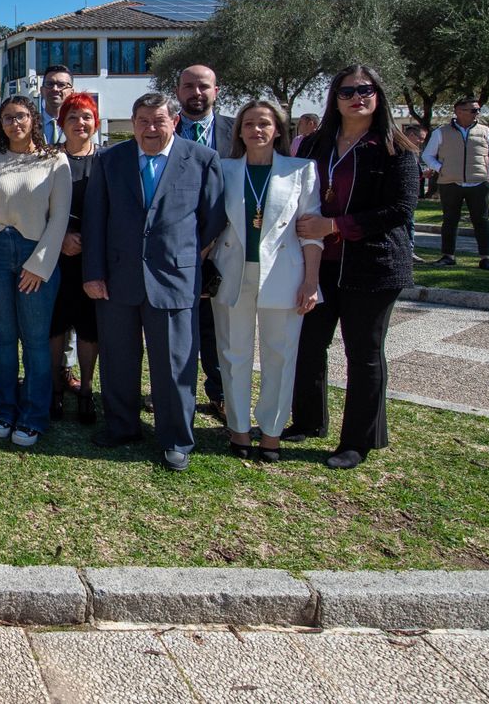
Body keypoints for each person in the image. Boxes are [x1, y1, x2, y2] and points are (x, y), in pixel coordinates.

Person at [84, 92, 225, 472]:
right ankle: (121, 426)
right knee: (118, 359)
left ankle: (176, 438)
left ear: (174, 121)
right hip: (117, 279)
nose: (150, 128)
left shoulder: (201, 160)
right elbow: (95, 220)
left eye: (158, 121)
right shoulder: (110, 160)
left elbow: (212, 218)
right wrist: (93, 273)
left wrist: (185, 254)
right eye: (142, 121)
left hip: (175, 278)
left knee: (175, 364)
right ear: (133, 123)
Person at [289, 65, 419, 469]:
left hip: (373, 266)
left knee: (363, 353)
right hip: (319, 263)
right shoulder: (315, 144)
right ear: (335, 98)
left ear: (378, 95)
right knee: (309, 345)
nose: (356, 97)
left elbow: (400, 210)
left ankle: (358, 441)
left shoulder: (396, 147)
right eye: (347, 91)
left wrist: (336, 225)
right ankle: (309, 421)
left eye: (366, 90)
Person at [210, 101, 323, 462]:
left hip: (284, 275)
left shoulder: (302, 170)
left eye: (264, 124)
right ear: (239, 131)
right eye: (248, 124)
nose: (256, 130)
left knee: (280, 355)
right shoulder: (223, 169)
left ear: (278, 130)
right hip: (233, 273)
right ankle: (239, 428)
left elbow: (311, 233)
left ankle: (272, 432)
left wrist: (311, 281)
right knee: (233, 354)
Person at [0, 95, 72, 447]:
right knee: (3, 337)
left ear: (34, 120)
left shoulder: (54, 160)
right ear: (1, 123)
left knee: (35, 341)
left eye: (22, 116)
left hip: (37, 254)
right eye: (8, 118)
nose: (16, 123)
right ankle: (3, 410)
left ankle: (33, 416)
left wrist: (40, 265)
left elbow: (59, 217)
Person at [175, 64, 234, 417]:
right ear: (178, 90)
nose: (196, 92)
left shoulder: (235, 132)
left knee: (216, 325)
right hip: (176, 246)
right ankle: (171, 389)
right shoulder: (162, 128)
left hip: (226, 243)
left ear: (216, 90)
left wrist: (210, 242)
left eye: (203, 86)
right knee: (176, 324)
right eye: (188, 86)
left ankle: (219, 392)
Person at [48, 94, 102, 423]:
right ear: (61, 124)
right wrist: (61, 239)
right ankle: (55, 388)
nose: (79, 124)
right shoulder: (49, 159)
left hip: (92, 260)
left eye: (86, 117)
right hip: (54, 258)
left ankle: (86, 391)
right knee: (55, 326)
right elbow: (38, 207)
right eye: (72, 117)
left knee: (89, 328)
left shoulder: (107, 161)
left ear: (95, 122)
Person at [423, 96, 489, 271]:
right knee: (450, 220)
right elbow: (427, 155)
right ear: (459, 111)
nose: (477, 113)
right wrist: (440, 168)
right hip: (450, 183)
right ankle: (448, 256)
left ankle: (486, 258)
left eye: (478, 110)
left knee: (481, 221)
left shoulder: (486, 132)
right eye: (473, 110)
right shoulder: (441, 132)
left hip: (479, 184)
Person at [37, 65, 74, 145]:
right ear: (42, 90)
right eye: (50, 84)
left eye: (61, 85)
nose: (55, 89)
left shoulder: (81, 125)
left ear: (72, 92)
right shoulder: (31, 124)